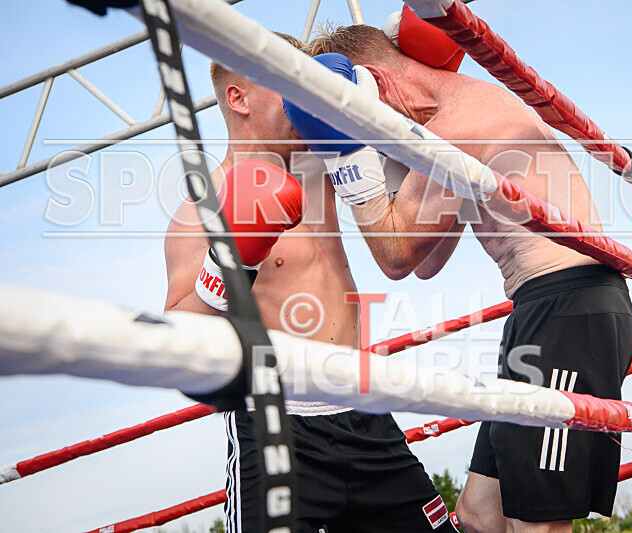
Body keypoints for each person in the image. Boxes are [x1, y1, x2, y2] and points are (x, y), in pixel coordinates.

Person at [290, 21, 632, 533]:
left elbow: (395, 256)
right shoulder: (450, 121)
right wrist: (395, 165)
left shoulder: (457, 123)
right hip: (540, 314)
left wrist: (351, 160)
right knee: (479, 516)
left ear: (371, 84)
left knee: (537, 522)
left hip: (567, 312)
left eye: (359, 119)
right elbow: (425, 262)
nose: (370, 134)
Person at [163, 32, 457, 533]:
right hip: (277, 424)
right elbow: (177, 335)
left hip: (365, 409)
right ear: (239, 98)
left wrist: (410, 66)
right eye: (287, 80)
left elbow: (415, 156)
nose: (304, 93)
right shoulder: (201, 209)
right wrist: (227, 261)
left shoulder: (328, 159)